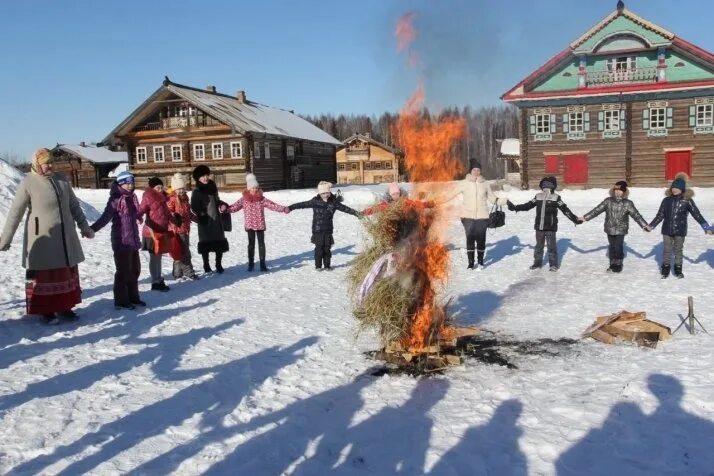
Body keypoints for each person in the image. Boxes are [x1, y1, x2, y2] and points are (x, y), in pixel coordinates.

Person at [0, 148, 94, 324]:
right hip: (43, 239)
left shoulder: (62, 180)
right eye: (46, 163)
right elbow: (15, 213)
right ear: (37, 164)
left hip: (65, 237)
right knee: (46, 275)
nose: (50, 166)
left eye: (51, 162)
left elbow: (73, 206)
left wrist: (84, 227)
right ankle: (46, 311)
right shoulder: (28, 182)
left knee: (65, 273)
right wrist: (5, 240)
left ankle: (65, 307)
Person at [90, 171, 146, 310]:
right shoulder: (115, 199)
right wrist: (92, 229)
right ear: (121, 183)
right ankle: (121, 300)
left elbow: (135, 212)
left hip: (132, 240)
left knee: (135, 270)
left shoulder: (131, 197)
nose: (130, 185)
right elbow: (105, 217)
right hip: (121, 241)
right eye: (127, 183)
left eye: (132, 183)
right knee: (123, 271)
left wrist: (138, 217)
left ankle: (133, 297)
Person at [507, 176, 580, 272]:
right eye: (545, 185)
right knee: (540, 247)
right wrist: (515, 207)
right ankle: (537, 263)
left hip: (550, 227)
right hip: (539, 227)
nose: (546, 187)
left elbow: (565, 209)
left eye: (548, 185)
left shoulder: (556, 198)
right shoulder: (538, 196)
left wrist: (575, 219)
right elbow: (528, 206)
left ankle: (553, 265)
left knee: (549, 247)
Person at [648, 173, 711, 279]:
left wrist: (705, 227)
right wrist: (651, 226)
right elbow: (660, 215)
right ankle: (665, 270)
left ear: (682, 189)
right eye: (673, 187)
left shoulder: (687, 201)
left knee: (678, 250)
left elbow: (697, 214)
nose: (674, 190)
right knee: (667, 250)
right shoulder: (666, 200)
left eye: (677, 188)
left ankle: (678, 270)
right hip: (667, 230)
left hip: (680, 230)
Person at [580, 180, 650, 273]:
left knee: (618, 246)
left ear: (624, 192)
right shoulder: (608, 201)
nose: (618, 192)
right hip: (609, 228)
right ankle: (612, 263)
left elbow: (636, 215)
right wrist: (585, 218)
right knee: (612, 246)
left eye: (620, 190)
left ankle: (618, 263)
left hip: (621, 229)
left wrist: (644, 225)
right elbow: (596, 210)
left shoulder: (628, 203)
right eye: (616, 190)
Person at [288, 181, 361, 270]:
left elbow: (345, 208)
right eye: (323, 193)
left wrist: (356, 213)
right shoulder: (315, 201)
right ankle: (318, 266)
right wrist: (291, 207)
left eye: (327, 193)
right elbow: (302, 204)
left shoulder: (333, 202)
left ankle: (327, 265)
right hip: (317, 229)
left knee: (327, 249)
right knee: (319, 249)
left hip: (328, 230)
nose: (326, 195)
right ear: (320, 193)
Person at [227, 173, 289, 272]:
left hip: (260, 225)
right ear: (248, 189)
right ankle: (251, 263)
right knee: (251, 245)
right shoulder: (244, 199)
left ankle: (262, 264)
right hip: (250, 225)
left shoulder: (262, 199)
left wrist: (283, 209)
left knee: (261, 244)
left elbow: (273, 205)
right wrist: (225, 208)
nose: (254, 190)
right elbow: (234, 207)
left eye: (256, 188)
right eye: (252, 188)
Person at [451, 159, 507, 269]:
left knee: (481, 239)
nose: (476, 172)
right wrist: (436, 200)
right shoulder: (464, 184)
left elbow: (491, 198)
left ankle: (481, 262)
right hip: (467, 216)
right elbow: (451, 193)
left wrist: (503, 201)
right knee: (470, 238)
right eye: (474, 170)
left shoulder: (485, 184)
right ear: (470, 171)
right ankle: (471, 263)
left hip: (482, 216)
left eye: (478, 170)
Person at [190, 165, 229, 273]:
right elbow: (194, 206)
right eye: (202, 176)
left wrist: (222, 204)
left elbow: (217, 200)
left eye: (206, 175)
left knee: (219, 243)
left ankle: (218, 264)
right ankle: (206, 265)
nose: (205, 178)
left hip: (216, 220)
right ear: (198, 178)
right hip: (205, 221)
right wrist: (201, 214)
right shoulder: (197, 191)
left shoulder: (213, 187)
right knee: (205, 244)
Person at [140, 177, 175, 291]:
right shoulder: (148, 197)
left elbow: (167, 214)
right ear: (152, 188)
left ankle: (159, 279)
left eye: (161, 187)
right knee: (154, 258)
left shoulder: (162, 198)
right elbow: (141, 209)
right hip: (151, 233)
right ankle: (155, 281)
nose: (160, 189)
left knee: (158, 257)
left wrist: (175, 220)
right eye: (157, 187)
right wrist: (137, 216)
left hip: (161, 232)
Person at [167, 173, 198, 280]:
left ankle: (177, 274)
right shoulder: (171, 199)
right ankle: (189, 273)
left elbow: (188, 213)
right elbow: (169, 212)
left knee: (180, 251)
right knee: (184, 252)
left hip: (185, 229)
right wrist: (174, 216)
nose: (180, 191)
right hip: (177, 230)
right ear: (174, 189)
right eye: (178, 189)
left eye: (182, 188)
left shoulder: (185, 198)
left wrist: (197, 219)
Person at [362, 182, 435, 216]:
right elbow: (376, 208)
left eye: (397, 194)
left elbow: (416, 204)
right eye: (393, 194)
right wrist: (363, 213)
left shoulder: (404, 201)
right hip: (393, 222)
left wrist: (427, 204)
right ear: (390, 195)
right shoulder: (387, 204)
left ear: (400, 193)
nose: (396, 196)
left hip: (404, 221)